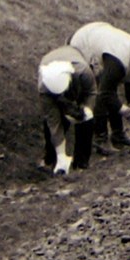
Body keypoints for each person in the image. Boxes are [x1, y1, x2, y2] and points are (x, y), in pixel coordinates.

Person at [68, 21, 130, 151]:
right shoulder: (118, 61)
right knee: (99, 91)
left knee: (110, 90)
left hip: (101, 37)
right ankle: (100, 139)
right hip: (83, 44)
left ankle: (118, 135)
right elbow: (105, 93)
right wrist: (127, 112)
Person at [37, 46, 97, 175]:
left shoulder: (83, 72)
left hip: (77, 80)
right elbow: (54, 122)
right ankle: (52, 159)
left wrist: (86, 110)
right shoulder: (44, 88)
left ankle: (81, 163)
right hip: (52, 83)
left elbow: (91, 92)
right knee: (52, 121)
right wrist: (61, 156)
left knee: (86, 118)